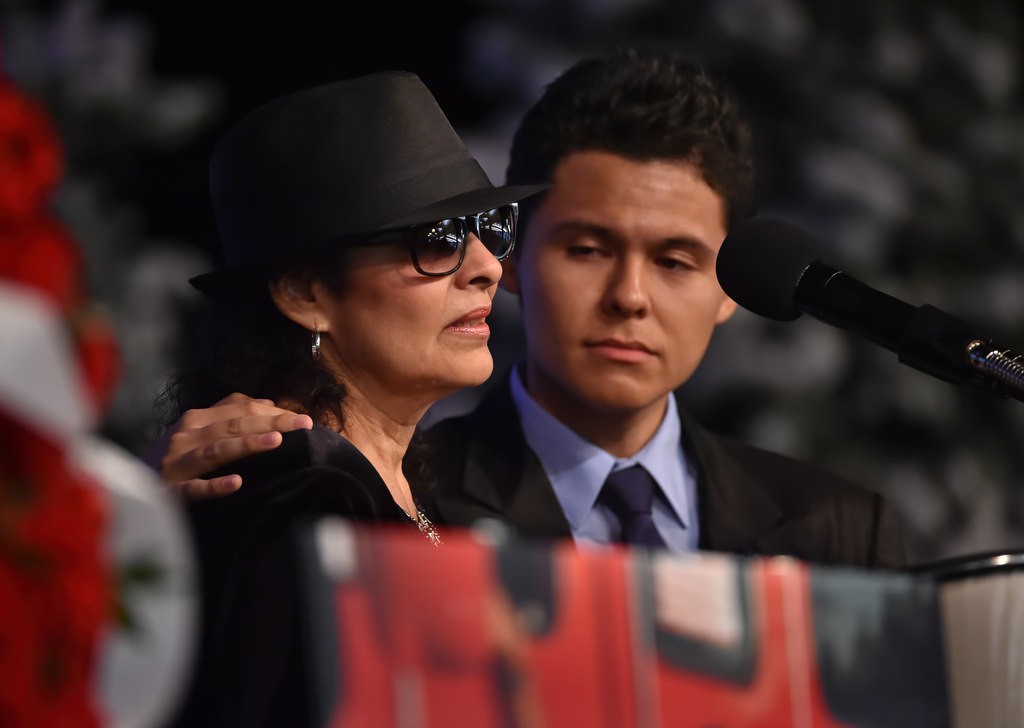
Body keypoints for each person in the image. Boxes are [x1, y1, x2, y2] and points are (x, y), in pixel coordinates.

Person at [158, 49, 905, 569]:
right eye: (587, 248)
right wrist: (143, 527)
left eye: (675, 261)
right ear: (305, 292)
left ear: (729, 288)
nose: (630, 297)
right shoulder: (302, 485)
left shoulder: (842, 528)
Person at [164, 71, 545, 727]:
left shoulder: (406, 487)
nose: (486, 266)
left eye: (489, 227)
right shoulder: (295, 492)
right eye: (437, 240)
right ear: (306, 294)